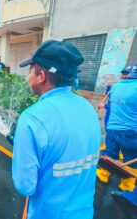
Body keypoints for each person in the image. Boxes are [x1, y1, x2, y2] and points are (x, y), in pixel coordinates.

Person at [12, 40, 101, 219]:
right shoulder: (88, 108)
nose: (27, 77)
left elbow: (26, 186)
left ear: (41, 76)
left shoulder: (32, 119)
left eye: (29, 71)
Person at [97, 65, 137, 192]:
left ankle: (103, 174)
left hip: (112, 127)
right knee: (131, 157)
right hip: (130, 131)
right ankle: (127, 184)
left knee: (110, 151)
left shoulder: (116, 86)